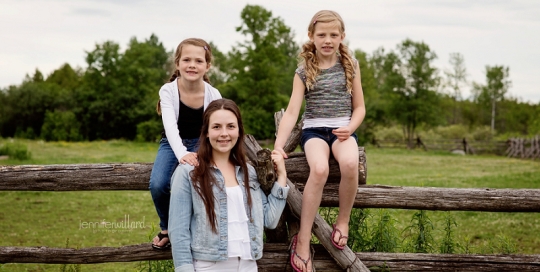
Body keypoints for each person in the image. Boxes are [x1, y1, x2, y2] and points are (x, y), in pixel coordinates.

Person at [273, 10, 366, 272]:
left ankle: (343, 220)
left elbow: (360, 108)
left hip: (343, 130)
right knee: (320, 169)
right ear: (311, 36)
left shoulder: (351, 65)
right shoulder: (304, 71)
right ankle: (303, 240)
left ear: (342, 36)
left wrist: (350, 127)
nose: (327, 40)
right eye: (321, 34)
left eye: (333, 35)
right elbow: (292, 112)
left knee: (349, 164)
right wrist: (279, 146)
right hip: (314, 131)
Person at [168, 98, 289, 271]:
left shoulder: (248, 172)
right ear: (207, 132)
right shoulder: (189, 172)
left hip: (248, 264)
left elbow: (269, 220)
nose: (224, 133)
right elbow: (178, 231)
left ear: (239, 131)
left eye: (231, 126)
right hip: (209, 265)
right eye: (216, 127)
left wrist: (282, 176)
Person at [149, 38, 222, 250]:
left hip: (203, 144)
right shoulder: (168, 91)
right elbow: (170, 127)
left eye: (198, 61)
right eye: (186, 59)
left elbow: (216, 127)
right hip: (172, 144)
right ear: (177, 63)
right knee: (158, 184)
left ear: (207, 66)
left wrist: (204, 153)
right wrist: (182, 153)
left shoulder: (213, 94)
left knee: (202, 183)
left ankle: (200, 230)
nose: (192, 65)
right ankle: (167, 228)